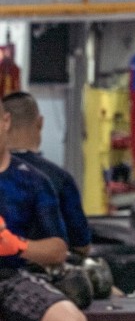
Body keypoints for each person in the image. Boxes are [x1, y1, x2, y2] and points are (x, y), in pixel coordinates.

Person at [0, 102, 88, 321]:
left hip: (11, 277)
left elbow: (58, 250)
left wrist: (17, 245)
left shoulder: (34, 181)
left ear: (6, 121)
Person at [2, 92, 91, 258]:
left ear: (6, 122)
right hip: (40, 273)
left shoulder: (38, 181)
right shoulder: (58, 179)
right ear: (40, 123)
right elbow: (81, 246)